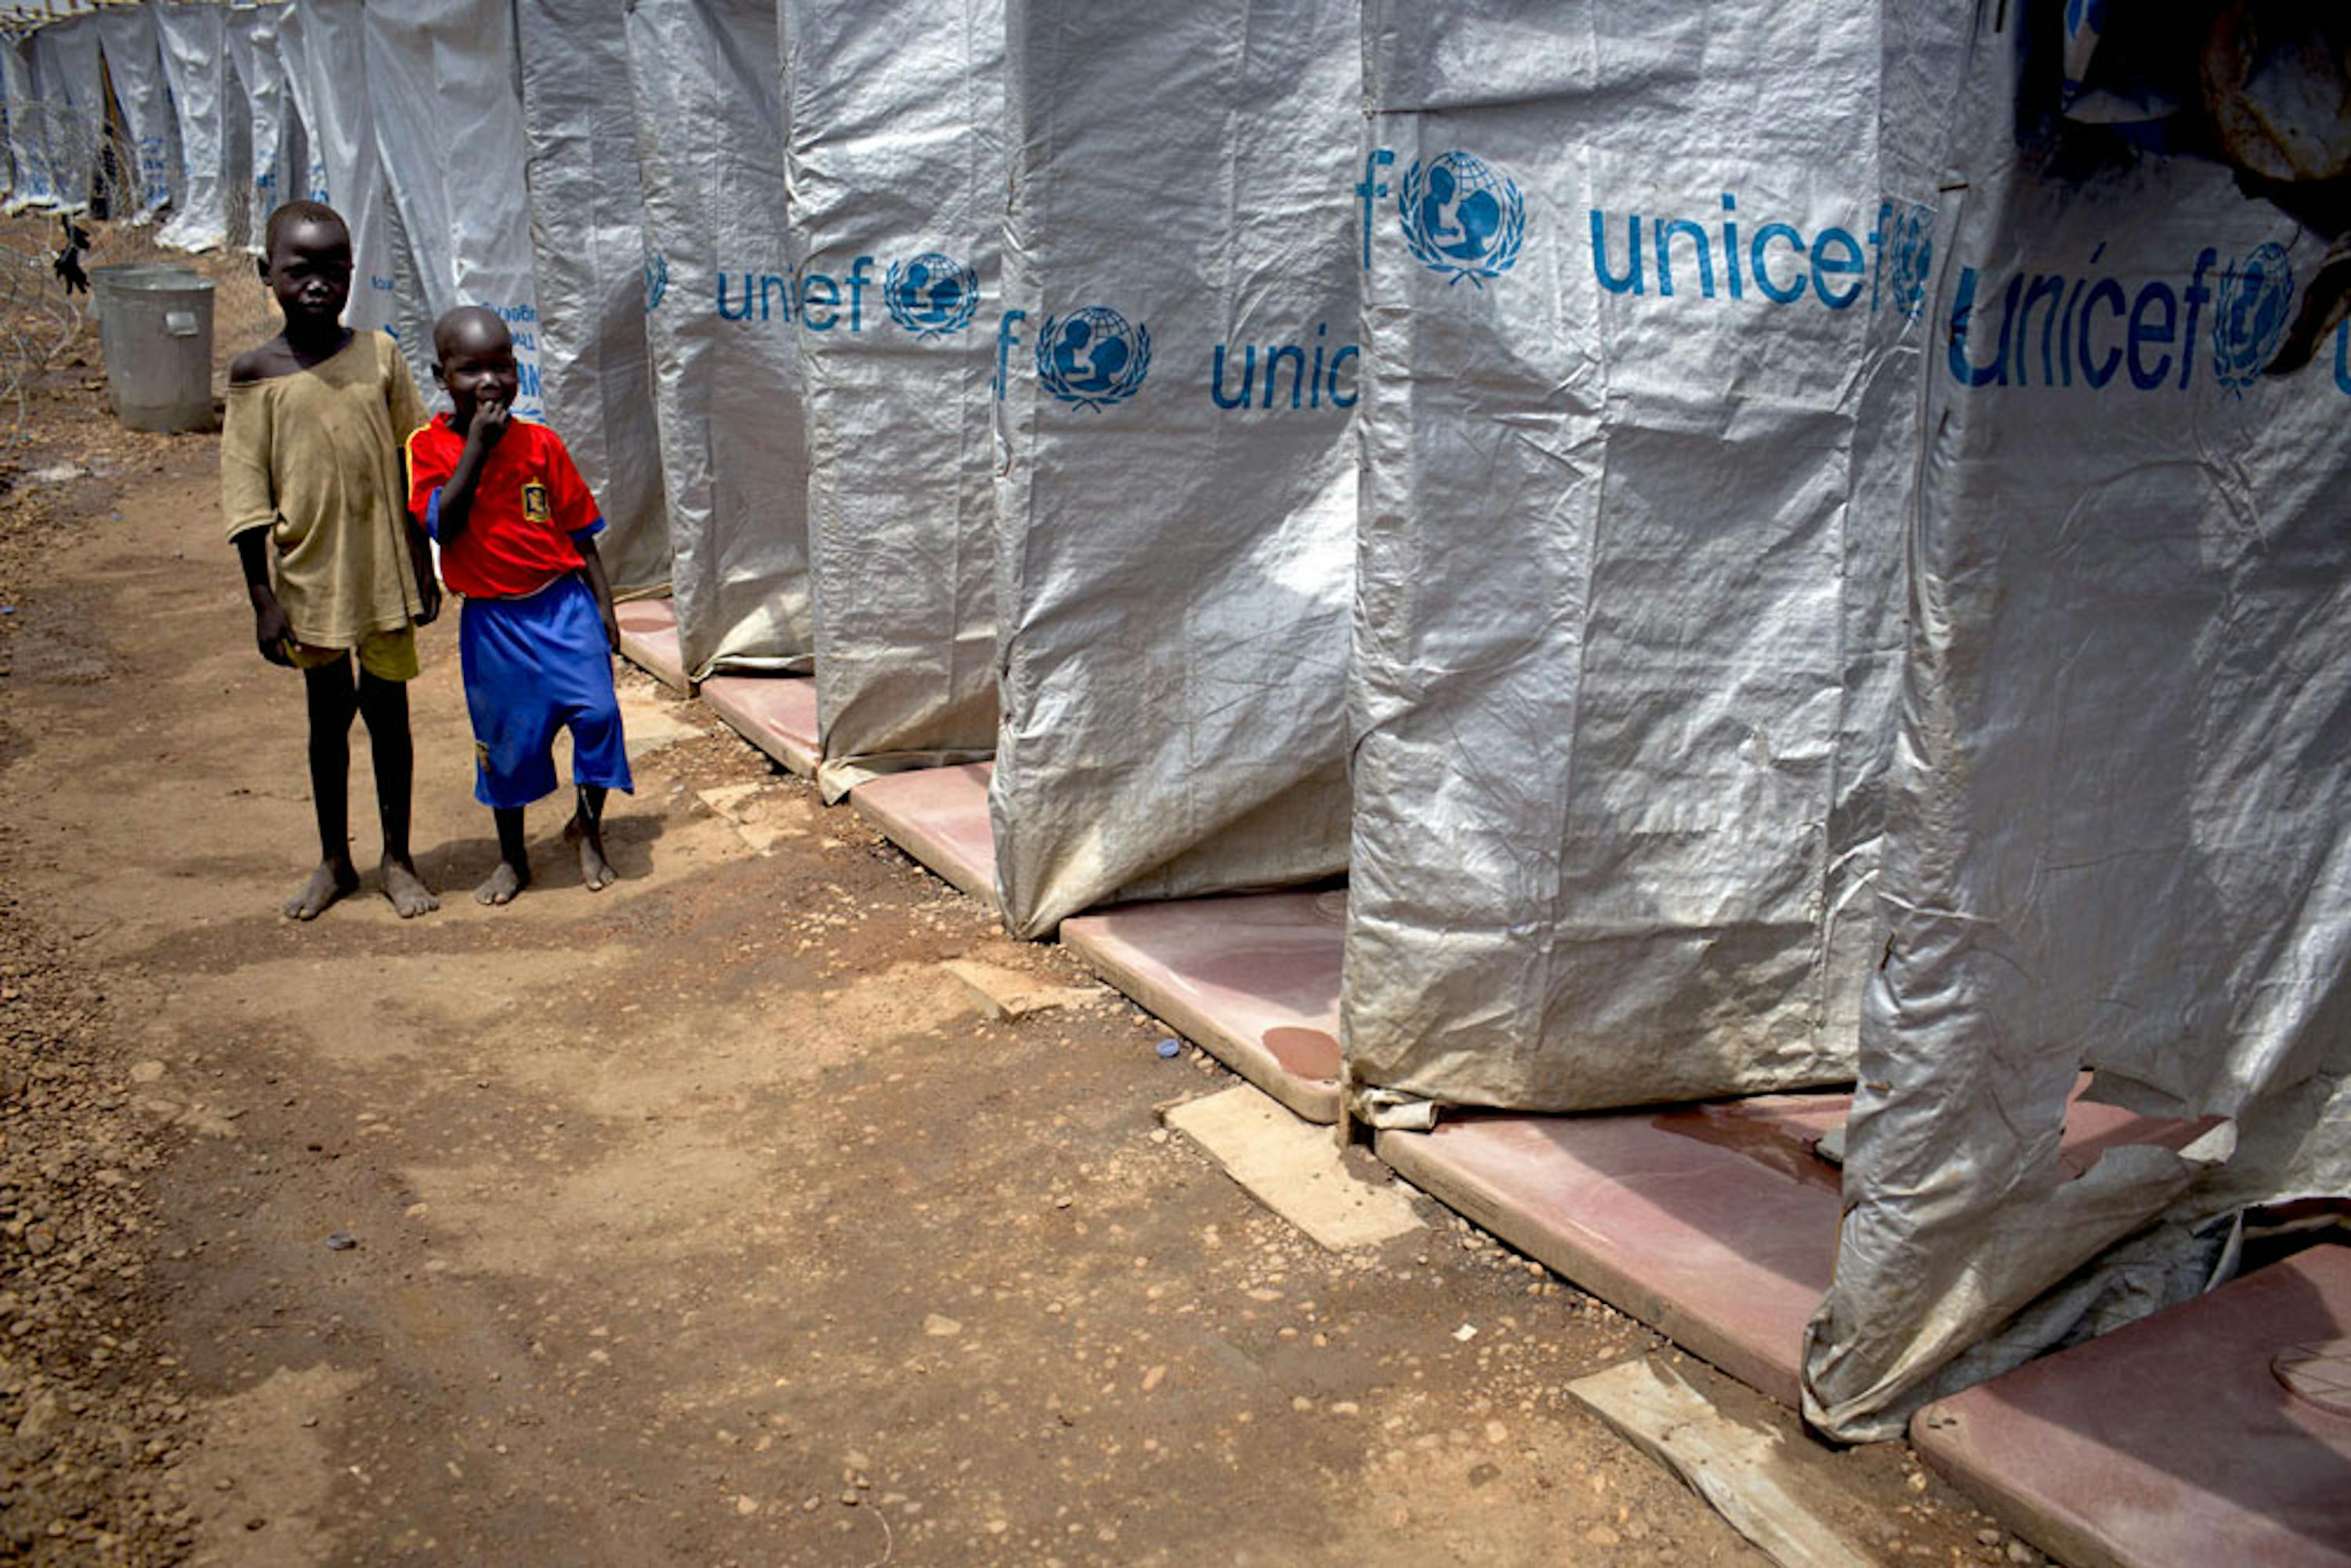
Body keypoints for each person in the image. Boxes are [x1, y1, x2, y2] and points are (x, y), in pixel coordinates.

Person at [221, 200, 440, 921]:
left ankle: (398, 859)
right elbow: (247, 496)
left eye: (332, 269)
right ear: (267, 273)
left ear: (352, 274)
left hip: (381, 576)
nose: (317, 283)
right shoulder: (256, 375)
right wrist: (262, 599)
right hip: (311, 582)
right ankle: (334, 860)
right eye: (298, 268)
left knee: (390, 718)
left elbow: (417, 460)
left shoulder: (379, 356)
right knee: (327, 723)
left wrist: (423, 560)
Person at [404, 306, 630, 905]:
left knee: (599, 716)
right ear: (440, 374)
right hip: (494, 622)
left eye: (502, 365)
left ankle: (588, 828)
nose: (489, 381)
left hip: (561, 606)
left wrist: (604, 605)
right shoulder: (428, 448)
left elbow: (581, 532)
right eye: (470, 369)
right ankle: (512, 858)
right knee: (505, 743)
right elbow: (442, 526)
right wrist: (476, 448)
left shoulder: (541, 444)